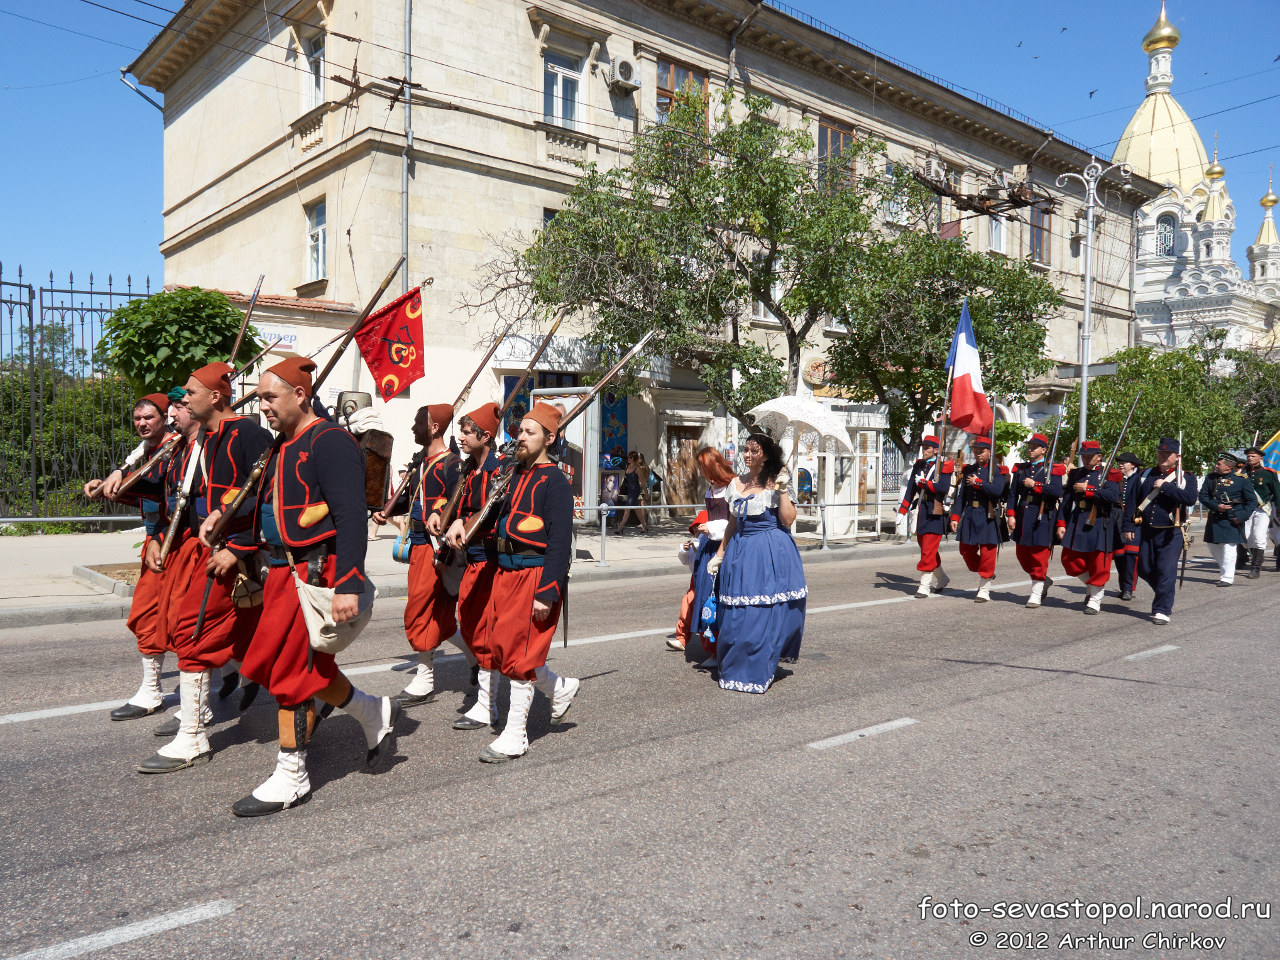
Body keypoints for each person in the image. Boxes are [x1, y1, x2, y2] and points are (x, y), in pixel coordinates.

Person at [226, 356, 399, 816]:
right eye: (259, 397)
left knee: (291, 675)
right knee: (301, 669)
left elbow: (350, 517)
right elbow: (265, 509)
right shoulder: (281, 445)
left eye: (269, 396)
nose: (261, 406)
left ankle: (292, 775)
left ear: (300, 395)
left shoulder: (330, 441)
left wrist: (346, 583)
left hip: (316, 574)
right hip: (281, 573)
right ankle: (370, 712)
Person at [136, 362, 271, 775]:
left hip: (238, 554)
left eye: (191, 392)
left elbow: (266, 494)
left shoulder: (250, 433)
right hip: (206, 549)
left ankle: (192, 736)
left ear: (215, 396)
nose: (183, 399)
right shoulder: (207, 437)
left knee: (194, 636)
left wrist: (240, 541)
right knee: (251, 642)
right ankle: (316, 700)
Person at [478, 402, 579, 762]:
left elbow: (559, 543)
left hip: (533, 576)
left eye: (529, 432)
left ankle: (515, 733)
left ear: (549, 438)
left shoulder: (556, 482)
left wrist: (547, 591)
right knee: (506, 648)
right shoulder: (514, 474)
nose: (520, 436)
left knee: (520, 656)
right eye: (519, 431)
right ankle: (561, 688)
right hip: (505, 574)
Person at [85, 393, 176, 721]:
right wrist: (109, 487)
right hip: (157, 544)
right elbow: (148, 496)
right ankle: (152, 691)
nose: (141, 423)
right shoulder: (150, 451)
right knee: (147, 616)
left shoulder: (178, 448)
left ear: (165, 417)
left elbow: (174, 498)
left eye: (149, 418)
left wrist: (122, 481)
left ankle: (216, 691)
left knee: (190, 623)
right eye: (137, 418)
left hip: (180, 543)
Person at [373, 403, 460, 706]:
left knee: (420, 610)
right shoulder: (421, 464)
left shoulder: (452, 465)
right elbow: (411, 502)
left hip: (437, 548)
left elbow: (457, 503)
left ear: (434, 427)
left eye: (417, 422)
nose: (412, 427)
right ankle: (479, 657)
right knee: (436, 613)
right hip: (418, 544)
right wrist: (386, 511)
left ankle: (425, 678)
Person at [706, 433, 805, 694]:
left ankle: (759, 666)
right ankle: (736, 664)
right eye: (746, 450)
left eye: (754, 451)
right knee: (737, 612)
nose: (747, 455)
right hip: (741, 551)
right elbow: (732, 523)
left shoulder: (778, 482)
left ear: (766, 455)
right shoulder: (737, 483)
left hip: (770, 550)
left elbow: (788, 519)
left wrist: (782, 490)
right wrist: (719, 554)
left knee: (762, 611)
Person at [440, 402, 505, 732]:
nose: (461, 436)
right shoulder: (467, 470)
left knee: (485, 631)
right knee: (472, 626)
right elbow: (458, 505)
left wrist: (463, 521)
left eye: (467, 431)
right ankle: (556, 686)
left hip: (492, 561)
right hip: (471, 560)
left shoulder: (500, 470)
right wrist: (445, 515)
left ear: (486, 436)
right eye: (462, 430)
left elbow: (492, 510)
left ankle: (486, 705)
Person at [1134, 438, 1199, 624]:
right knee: (1144, 569)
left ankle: (1161, 609)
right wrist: (1129, 525)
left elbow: (1190, 498)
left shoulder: (1186, 477)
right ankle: (1165, 591)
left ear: (1177, 457)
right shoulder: (1146, 474)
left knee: (1166, 571)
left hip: (1172, 531)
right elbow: (1134, 499)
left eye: (1167, 454)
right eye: (1160, 453)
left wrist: (1166, 486)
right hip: (1148, 530)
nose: (1162, 457)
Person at [1057, 440, 1119, 615]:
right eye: (1083, 456)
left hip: (1100, 520)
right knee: (1069, 560)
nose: (1085, 459)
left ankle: (1095, 599)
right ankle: (1093, 586)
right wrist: (1061, 523)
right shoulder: (1076, 474)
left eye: (1089, 456)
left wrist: (1089, 489)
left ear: (1099, 457)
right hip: (1078, 520)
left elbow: (1113, 496)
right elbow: (1067, 501)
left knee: (1099, 563)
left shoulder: (1110, 474)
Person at [1006, 432, 1065, 609]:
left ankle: (1036, 593)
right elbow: (1012, 494)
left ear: (1044, 450)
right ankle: (1043, 580)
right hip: (1024, 515)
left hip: (1043, 516)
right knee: (1022, 555)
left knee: (1039, 556)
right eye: (1029, 446)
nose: (1030, 449)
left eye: (1035, 447)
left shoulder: (1052, 469)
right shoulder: (1021, 469)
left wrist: (1036, 486)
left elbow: (1056, 492)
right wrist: (1010, 514)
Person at [949, 436, 1008, 602]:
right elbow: (962, 496)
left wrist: (979, 482)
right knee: (965, 550)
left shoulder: (997, 471)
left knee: (988, 553)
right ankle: (986, 572)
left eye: (981, 451)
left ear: (990, 452)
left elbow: (997, 491)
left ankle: (984, 587)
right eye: (975, 451)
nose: (978, 454)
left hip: (987, 514)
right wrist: (955, 516)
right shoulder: (969, 470)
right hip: (970, 513)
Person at [897, 435, 954, 598]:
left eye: (928, 448)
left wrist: (924, 483)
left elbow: (943, 487)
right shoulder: (920, 465)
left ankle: (924, 586)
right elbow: (910, 490)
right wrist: (902, 511)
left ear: (936, 450)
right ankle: (942, 578)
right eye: (924, 447)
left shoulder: (944, 465)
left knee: (928, 549)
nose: (924, 450)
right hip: (922, 510)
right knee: (927, 548)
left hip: (935, 512)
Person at [1198, 452, 1258, 587]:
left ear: (1228, 467)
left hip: (1232, 518)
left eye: (1219, 464)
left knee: (1229, 548)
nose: (1216, 465)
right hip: (1215, 517)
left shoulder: (1241, 479)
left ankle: (1227, 577)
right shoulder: (1210, 478)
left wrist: (1241, 516)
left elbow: (1252, 501)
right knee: (1213, 546)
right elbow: (1203, 497)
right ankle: (1224, 568)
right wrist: (1216, 506)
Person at [669, 509, 709, 652]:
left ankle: (711, 647)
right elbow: (685, 561)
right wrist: (685, 550)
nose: (698, 534)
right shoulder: (694, 544)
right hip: (696, 581)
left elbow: (705, 558)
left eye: (701, 530)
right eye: (696, 531)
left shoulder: (713, 543)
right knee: (687, 607)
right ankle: (681, 639)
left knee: (707, 612)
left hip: (710, 580)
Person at [1240, 446, 1280, 578]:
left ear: (1260, 458)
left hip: (1262, 509)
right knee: (1246, 538)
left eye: (1253, 456)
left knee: (1258, 537)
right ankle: (1256, 558)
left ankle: (1255, 568)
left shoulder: (1268, 473)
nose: (1250, 458)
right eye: (1248, 456)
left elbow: (1277, 493)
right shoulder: (1242, 474)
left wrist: (1279, 510)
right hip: (1246, 510)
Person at [1113, 452, 1144, 600]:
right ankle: (1122, 587)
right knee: (1119, 556)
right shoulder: (1116, 479)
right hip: (1118, 520)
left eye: (1124, 462)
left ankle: (1128, 588)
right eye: (1119, 462)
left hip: (1134, 519)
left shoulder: (1139, 478)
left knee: (1131, 556)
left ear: (1133, 465)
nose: (1120, 464)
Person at [613, 451, 648, 534]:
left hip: (635, 490)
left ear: (634, 459)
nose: (628, 459)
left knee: (627, 508)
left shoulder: (637, 469)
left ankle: (621, 527)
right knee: (636, 509)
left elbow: (642, 482)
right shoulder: (627, 467)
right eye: (628, 457)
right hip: (629, 489)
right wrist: (620, 487)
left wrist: (646, 493)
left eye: (630, 458)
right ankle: (644, 526)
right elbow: (624, 478)